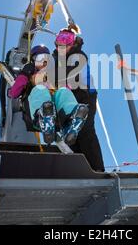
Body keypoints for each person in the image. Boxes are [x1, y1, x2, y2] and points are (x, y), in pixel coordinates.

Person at [7, 45, 89, 146]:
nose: (44, 62)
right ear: (33, 60)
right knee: (40, 89)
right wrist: (24, 74)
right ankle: (44, 117)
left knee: (64, 91)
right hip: (34, 112)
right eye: (39, 59)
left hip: (58, 115)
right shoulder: (29, 73)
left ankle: (71, 121)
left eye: (47, 59)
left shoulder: (54, 74)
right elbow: (15, 93)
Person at [52, 27, 106, 172]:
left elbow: (64, 75)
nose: (62, 44)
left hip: (85, 96)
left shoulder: (77, 56)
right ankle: (80, 168)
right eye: (60, 40)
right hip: (70, 98)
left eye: (67, 40)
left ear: (73, 43)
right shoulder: (58, 59)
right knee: (71, 132)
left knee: (85, 130)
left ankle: (97, 169)